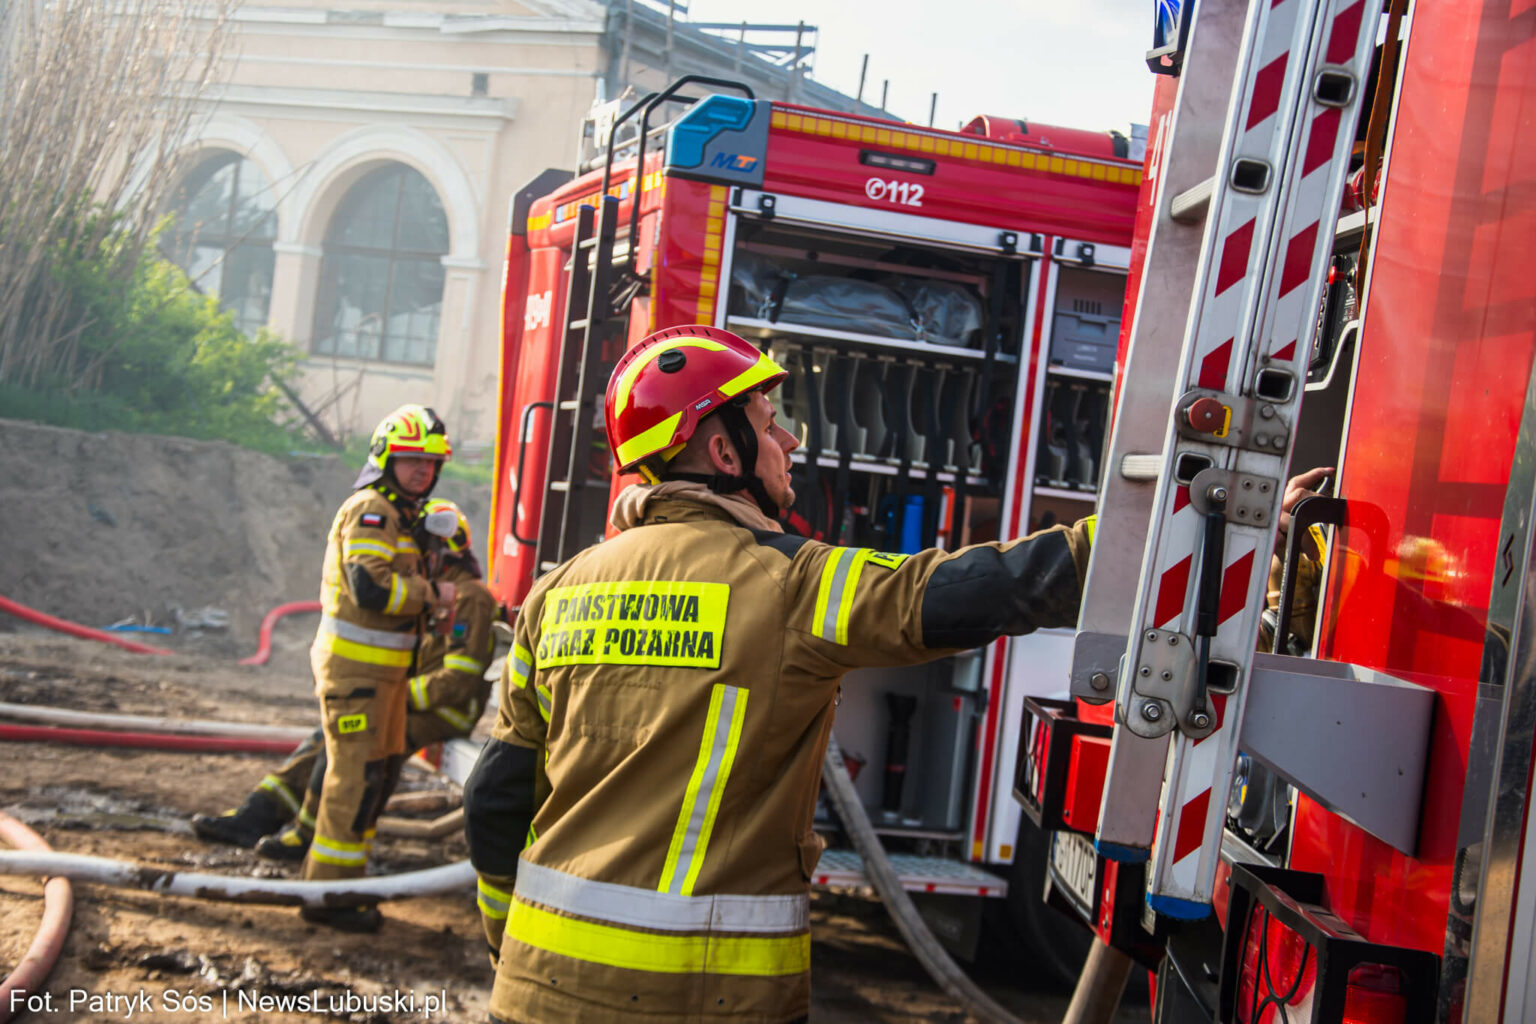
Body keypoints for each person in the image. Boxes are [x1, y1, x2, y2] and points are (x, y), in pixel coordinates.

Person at [461, 325, 1095, 1023]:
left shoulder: (558, 592)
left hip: (532, 990)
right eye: (771, 425)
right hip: (705, 1003)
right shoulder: (789, 582)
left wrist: (508, 945)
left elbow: (495, 797)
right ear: (724, 450)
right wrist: (1123, 543)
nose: (792, 442)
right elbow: (969, 592)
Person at [189, 498, 499, 861]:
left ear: (439, 550)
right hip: (413, 702)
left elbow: (457, 681)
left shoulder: (469, 598)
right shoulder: (433, 590)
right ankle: (257, 815)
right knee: (330, 734)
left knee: (351, 737)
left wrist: (396, 695)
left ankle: (305, 835)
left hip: (442, 712)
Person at [300, 404, 454, 932]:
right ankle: (328, 896)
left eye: (431, 463)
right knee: (354, 779)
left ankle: (346, 882)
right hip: (357, 676)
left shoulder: (404, 519)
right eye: (411, 460)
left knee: (378, 778)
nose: (422, 472)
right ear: (385, 459)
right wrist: (435, 592)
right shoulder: (372, 511)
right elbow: (370, 589)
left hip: (384, 678)